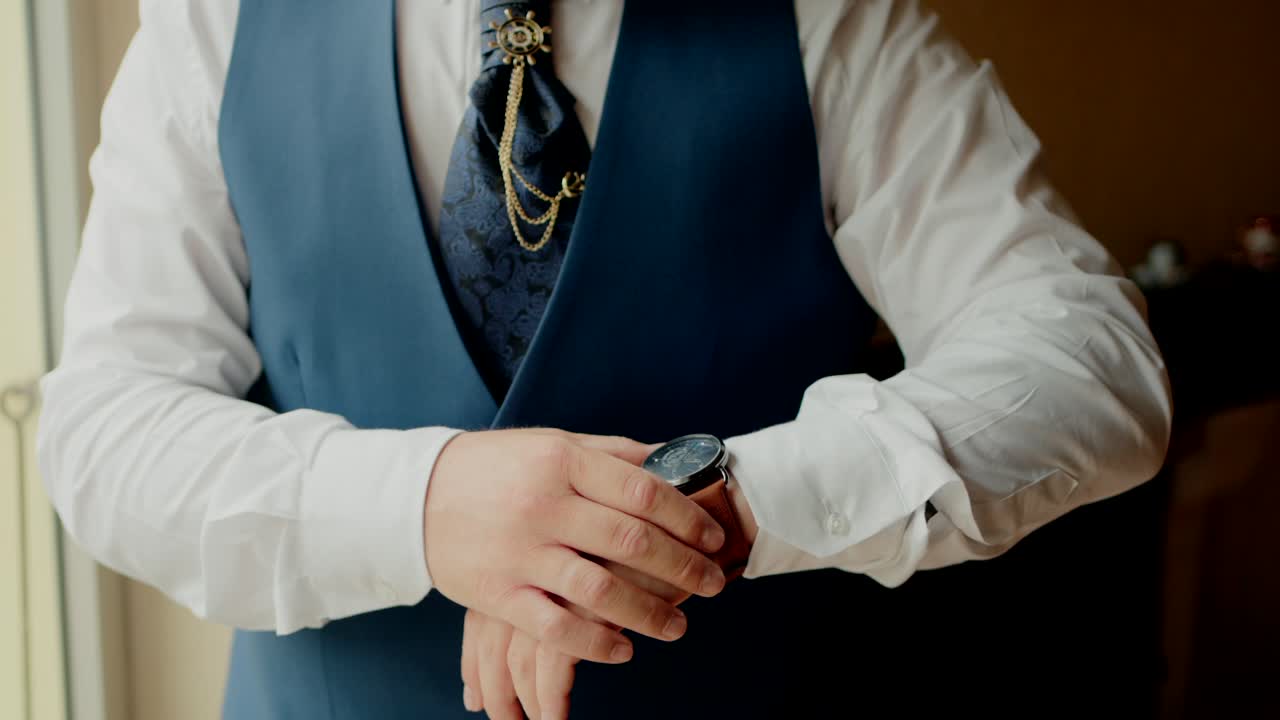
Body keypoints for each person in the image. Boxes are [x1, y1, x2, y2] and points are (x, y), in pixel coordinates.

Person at [37, 0, 1173, 718]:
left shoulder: (830, 21)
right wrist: (426, 505)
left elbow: (1088, 359)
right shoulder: (212, 22)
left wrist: (701, 510)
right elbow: (103, 430)